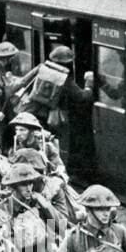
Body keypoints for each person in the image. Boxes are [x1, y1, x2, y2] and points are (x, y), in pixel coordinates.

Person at [22, 43, 95, 172]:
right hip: (57, 120)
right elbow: (82, 97)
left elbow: (25, 82)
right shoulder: (64, 79)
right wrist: (89, 84)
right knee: (60, 146)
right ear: (68, 63)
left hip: (36, 114)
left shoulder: (41, 69)